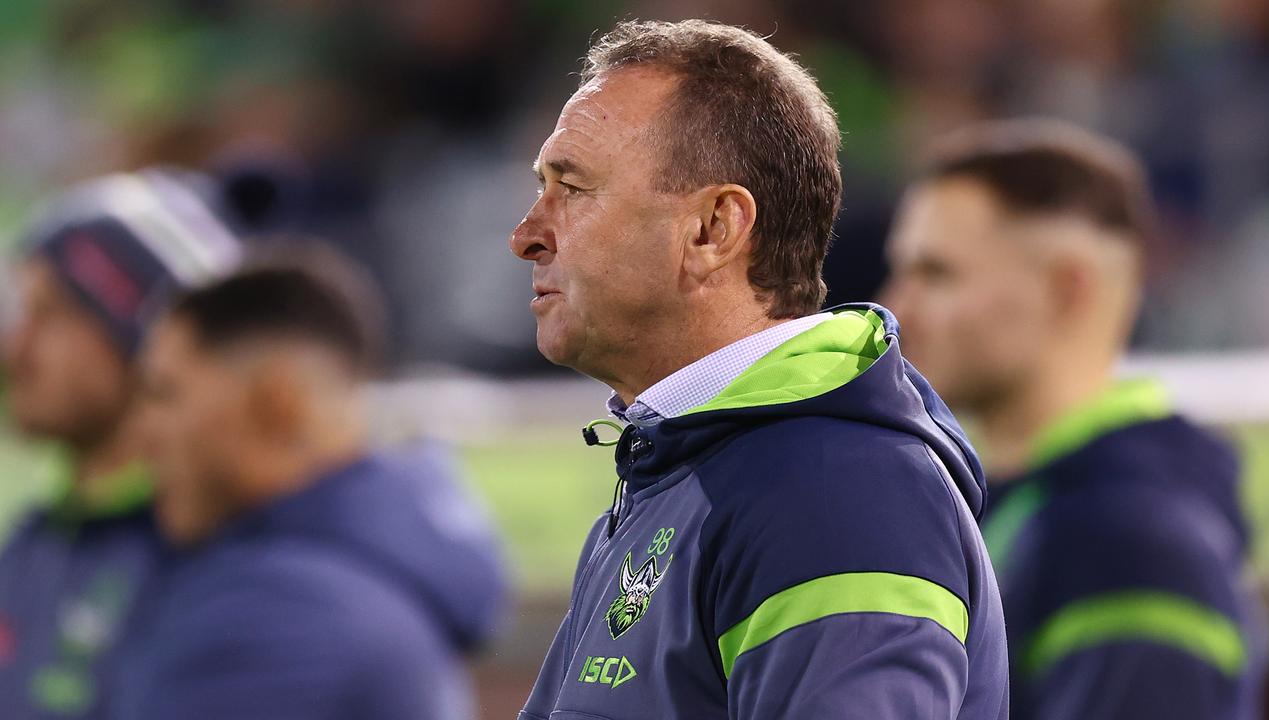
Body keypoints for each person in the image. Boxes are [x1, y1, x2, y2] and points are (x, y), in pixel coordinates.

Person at [509, 19, 1007, 720]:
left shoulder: (837, 493)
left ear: (713, 229)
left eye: (574, 188)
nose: (527, 234)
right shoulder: (686, 476)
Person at [882, 119, 1268, 719]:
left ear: (1067, 289)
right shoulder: (1018, 508)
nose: (898, 307)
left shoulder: (1131, 543)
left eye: (937, 273)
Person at [113, 245, 506, 720]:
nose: (140, 436)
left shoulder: (272, 614)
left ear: (278, 405)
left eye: (165, 394)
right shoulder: (372, 570)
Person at [0, 170, 242, 719]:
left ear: (153, 344)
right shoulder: (32, 541)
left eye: (53, 315)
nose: (15, 349)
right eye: (20, 314)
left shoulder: (205, 556)